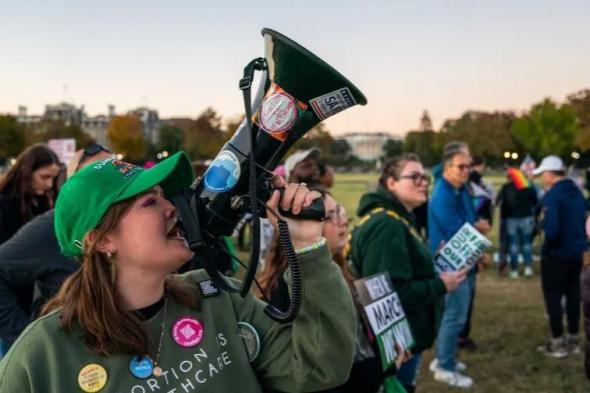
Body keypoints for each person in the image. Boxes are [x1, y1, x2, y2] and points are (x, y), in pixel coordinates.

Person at [0, 152, 356, 393]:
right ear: (103, 240)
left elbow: (319, 367)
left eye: (165, 196)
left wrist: (307, 244)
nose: (173, 208)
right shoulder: (41, 355)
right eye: (151, 202)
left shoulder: (219, 299)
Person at [350, 154, 465, 393]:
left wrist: (431, 263)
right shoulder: (387, 224)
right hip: (397, 343)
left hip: (402, 338)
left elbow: (400, 270)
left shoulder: (396, 218)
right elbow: (391, 293)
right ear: (391, 183)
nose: (424, 182)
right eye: (414, 177)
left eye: (424, 177)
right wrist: (441, 285)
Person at [258, 188, 386, 393]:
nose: (343, 221)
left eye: (341, 212)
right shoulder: (289, 288)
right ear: (301, 224)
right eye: (329, 216)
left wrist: (387, 356)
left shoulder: (342, 270)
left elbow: (359, 341)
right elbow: (314, 368)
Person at [0, 144, 112, 348]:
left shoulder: (42, 202)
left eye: (117, 169)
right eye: (97, 173)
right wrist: (23, 338)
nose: (111, 181)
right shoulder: (50, 224)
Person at [427, 142, 490, 388]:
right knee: (454, 316)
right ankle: (444, 365)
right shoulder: (442, 194)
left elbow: (468, 223)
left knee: (454, 316)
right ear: (447, 168)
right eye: (461, 166)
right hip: (452, 264)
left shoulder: (459, 189)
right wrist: (478, 234)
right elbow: (457, 232)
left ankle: (444, 358)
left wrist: (476, 232)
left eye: (469, 166)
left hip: (464, 260)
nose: (467, 170)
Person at [0, 143, 61, 357]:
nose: (49, 184)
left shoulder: (41, 205)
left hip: (31, 304)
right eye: (44, 177)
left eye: (53, 178)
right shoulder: (4, 206)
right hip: (8, 311)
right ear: (27, 172)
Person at [533, 155, 587, 358]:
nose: (541, 178)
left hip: (556, 255)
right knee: (573, 296)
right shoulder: (577, 192)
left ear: (549, 174)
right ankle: (573, 338)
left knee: (553, 298)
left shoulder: (553, 196)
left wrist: (543, 227)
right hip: (576, 252)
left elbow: (553, 230)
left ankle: (558, 343)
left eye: (542, 174)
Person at [459, 156, 494, 351]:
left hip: (469, 248)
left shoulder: (466, 190)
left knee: (465, 302)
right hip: (460, 253)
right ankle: (449, 354)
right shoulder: (454, 193)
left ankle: (462, 336)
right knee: (457, 308)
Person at [495, 168, 538, 278]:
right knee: (527, 244)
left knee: (513, 245)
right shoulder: (528, 187)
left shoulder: (506, 188)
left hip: (511, 219)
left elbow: (498, 201)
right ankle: (528, 268)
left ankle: (514, 270)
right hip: (527, 218)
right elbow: (535, 202)